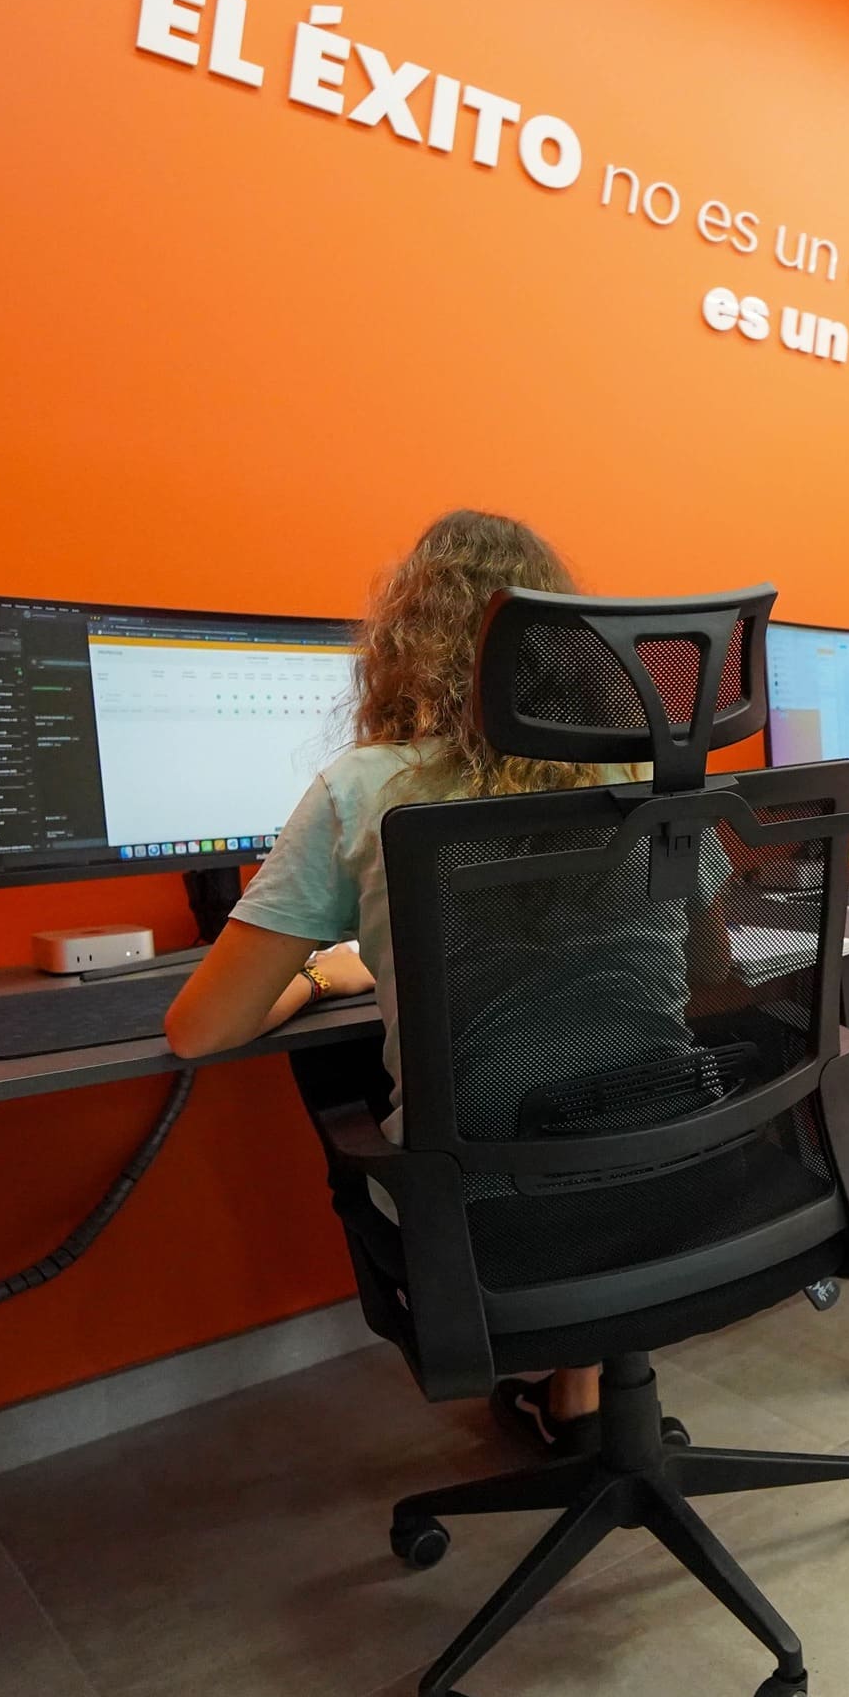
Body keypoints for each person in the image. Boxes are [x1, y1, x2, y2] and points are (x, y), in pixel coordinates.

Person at [166, 507, 651, 1451]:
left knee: (366, 1080)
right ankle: (579, 1393)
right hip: (670, 1178)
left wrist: (322, 975)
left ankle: (572, 1384)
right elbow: (708, 969)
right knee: (583, 1067)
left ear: (409, 645)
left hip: (489, 1210)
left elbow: (200, 1028)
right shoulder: (636, 770)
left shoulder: (368, 787)